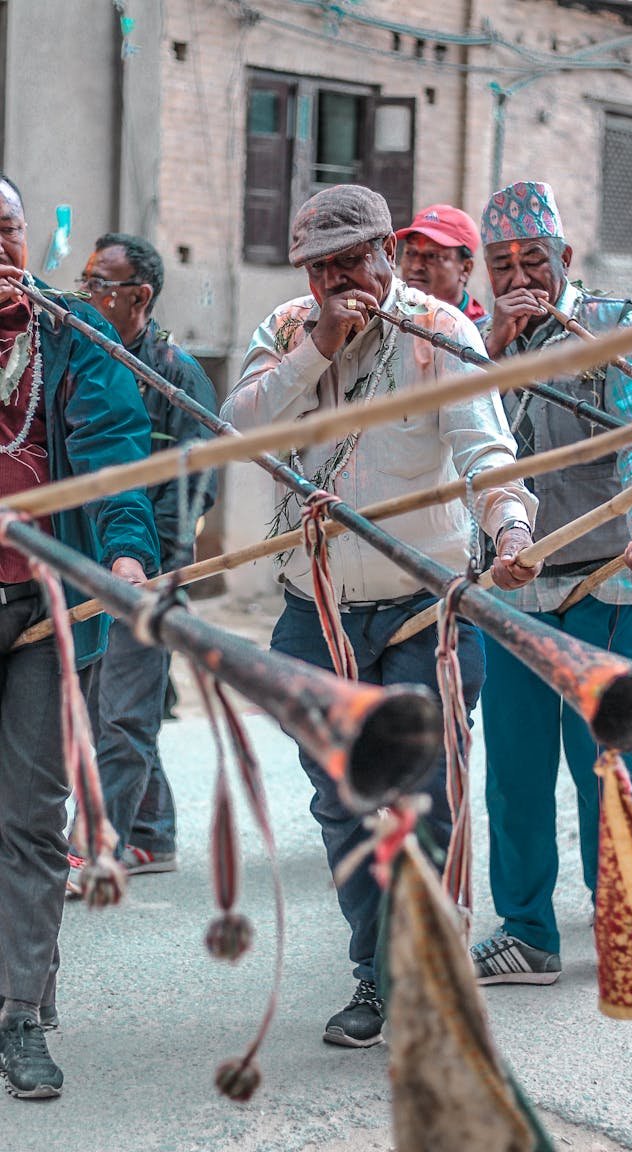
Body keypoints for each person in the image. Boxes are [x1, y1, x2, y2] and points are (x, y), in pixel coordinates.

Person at [221, 184, 539, 1048]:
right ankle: (377, 971)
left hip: (422, 610)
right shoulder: (288, 327)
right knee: (344, 801)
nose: (340, 281)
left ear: (388, 255)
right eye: (322, 268)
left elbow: (487, 453)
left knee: (426, 802)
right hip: (313, 611)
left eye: (354, 261)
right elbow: (237, 426)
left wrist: (510, 527)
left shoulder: (442, 333)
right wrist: (317, 347)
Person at [470, 180, 632, 986]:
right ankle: (528, 931)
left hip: (608, 581)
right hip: (514, 586)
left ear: (566, 258)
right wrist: (495, 352)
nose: (520, 277)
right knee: (515, 773)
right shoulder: (475, 343)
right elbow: (469, 439)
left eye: (534, 261)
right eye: (502, 264)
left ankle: (630, 924)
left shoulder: (615, 325)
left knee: (611, 765)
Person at [0, 176, 159, 1098]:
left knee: (27, 819)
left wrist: (129, 557)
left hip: (42, 615)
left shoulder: (69, 335)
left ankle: (22, 1013)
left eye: (8, 230)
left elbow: (111, 456)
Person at [68, 234, 218, 885]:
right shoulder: (84, 358)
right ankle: (152, 834)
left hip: (145, 575)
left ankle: (103, 846)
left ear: (141, 297)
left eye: (102, 286)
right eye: (87, 281)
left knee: (122, 715)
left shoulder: (177, 376)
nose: (88, 296)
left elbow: (194, 488)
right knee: (107, 708)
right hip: (84, 571)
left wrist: (155, 570)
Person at [396, 203, 489, 325]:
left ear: (466, 268)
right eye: (410, 253)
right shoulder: (386, 315)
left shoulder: (484, 335)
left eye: (432, 256)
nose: (416, 266)